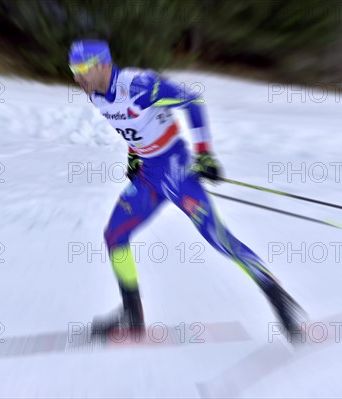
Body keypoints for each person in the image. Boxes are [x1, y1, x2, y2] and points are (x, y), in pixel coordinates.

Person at [68, 39, 304, 338]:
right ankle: (132, 315)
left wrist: (204, 153)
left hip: (177, 172)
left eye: (82, 69)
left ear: (102, 64)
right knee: (114, 236)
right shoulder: (96, 93)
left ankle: (278, 297)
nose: (77, 76)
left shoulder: (141, 85)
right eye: (72, 69)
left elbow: (192, 102)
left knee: (219, 238)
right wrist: (133, 155)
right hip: (148, 177)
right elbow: (132, 126)